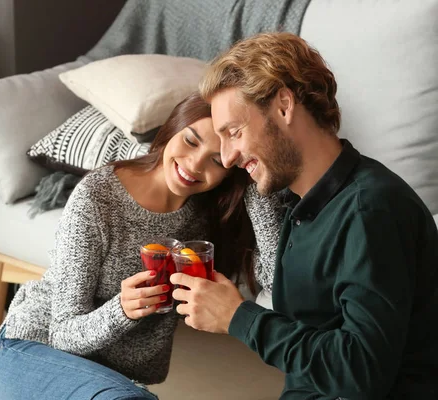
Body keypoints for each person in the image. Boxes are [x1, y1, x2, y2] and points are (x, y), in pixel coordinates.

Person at [171, 32, 438, 399]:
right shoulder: (303, 209)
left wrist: (239, 317)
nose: (229, 157)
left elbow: (361, 371)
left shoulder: (370, 211)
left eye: (234, 132)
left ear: (283, 105)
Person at [0, 92, 283, 400]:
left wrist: (254, 180)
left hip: (109, 380)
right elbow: (62, 334)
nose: (195, 165)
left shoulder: (210, 214)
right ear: (172, 129)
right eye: (191, 141)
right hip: (33, 350)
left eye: (216, 160)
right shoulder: (98, 197)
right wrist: (122, 309)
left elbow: (276, 284)